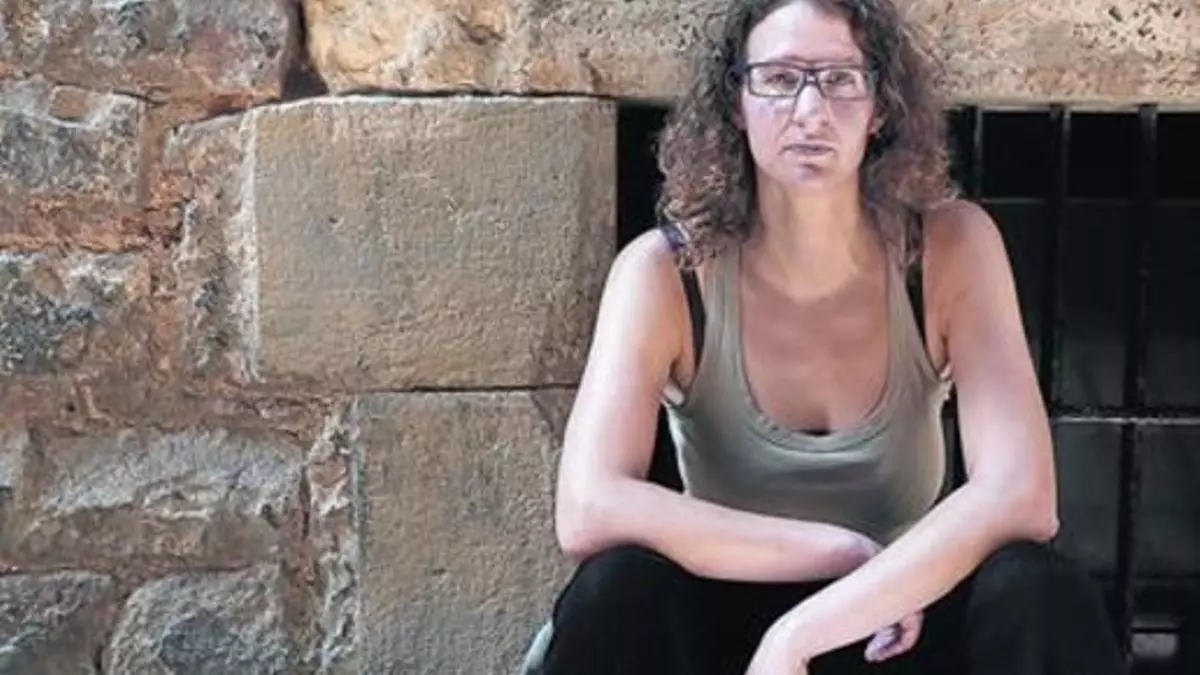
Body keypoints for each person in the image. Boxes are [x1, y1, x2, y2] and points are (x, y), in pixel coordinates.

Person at [519, 0, 1127, 673]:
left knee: (1037, 589)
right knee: (617, 589)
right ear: (736, 103)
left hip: (899, 618)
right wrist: (841, 551)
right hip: (728, 618)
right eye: (779, 79)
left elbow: (1021, 497)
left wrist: (802, 632)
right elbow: (589, 507)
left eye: (840, 79)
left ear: (881, 107)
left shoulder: (950, 246)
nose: (810, 111)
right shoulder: (666, 271)